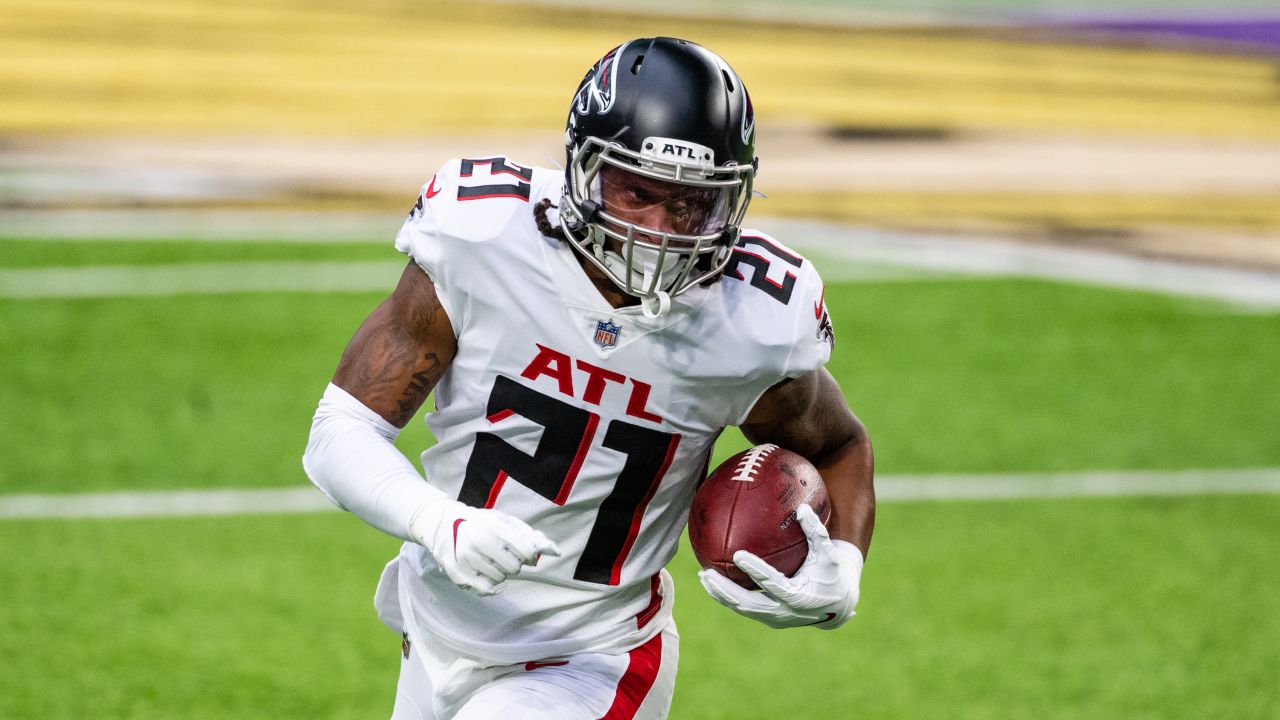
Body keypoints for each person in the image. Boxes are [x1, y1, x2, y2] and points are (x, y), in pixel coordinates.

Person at [303, 36, 875, 720]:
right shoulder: (484, 238)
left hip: (591, 657)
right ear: (583, 167)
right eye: (637, 192)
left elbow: (837, 444)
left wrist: (842, 566)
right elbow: (338, 433)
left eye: (691, 204)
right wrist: (437, 522)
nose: (659, 230)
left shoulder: (750, 319)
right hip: (433, 627)